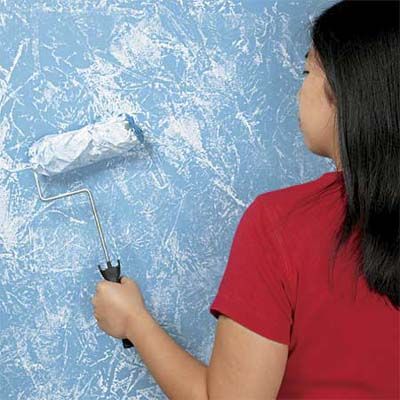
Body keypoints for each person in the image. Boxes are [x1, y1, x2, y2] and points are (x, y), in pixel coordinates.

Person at [91, 1, 400, 398]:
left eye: (307, 71)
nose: (299, 89)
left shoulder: (281, 224)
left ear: (343, 92)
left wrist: (134, 321)